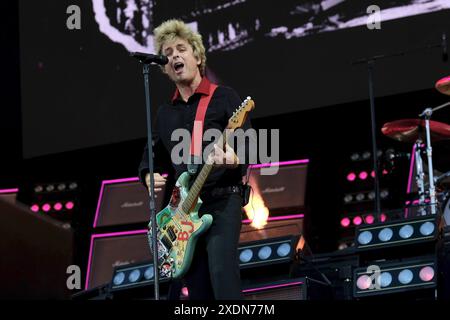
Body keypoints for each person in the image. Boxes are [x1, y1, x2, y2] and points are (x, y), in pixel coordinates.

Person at [138, 19, 252, 300]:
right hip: (183, 212)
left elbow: (249, 143)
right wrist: (148, 175)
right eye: (168, 52)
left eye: (181, 49)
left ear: (198, 57)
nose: (175, 55)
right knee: (198, 290)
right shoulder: (165, 113)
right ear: (165, 67)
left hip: (223, 199)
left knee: (222, 274)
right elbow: (151, 158)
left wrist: (232, 158)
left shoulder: (224, 97)